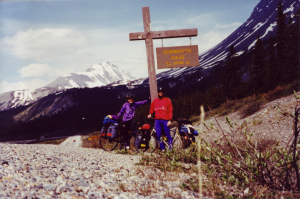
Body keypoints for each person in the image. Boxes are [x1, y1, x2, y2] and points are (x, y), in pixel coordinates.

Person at [147, 86, 173, 151]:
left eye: (162, 92)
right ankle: (162, 149)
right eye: (159, 92)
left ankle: (171, 149)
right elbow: (152, 108)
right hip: (157, 120)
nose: (160, 93)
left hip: (165, 120)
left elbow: (170, 110)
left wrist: (170, 120)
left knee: (167, 134)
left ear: (163, 92)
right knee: (158, 135)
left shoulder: (167, 100)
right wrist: (150, 114)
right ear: (158, 93)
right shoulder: (155, 101)